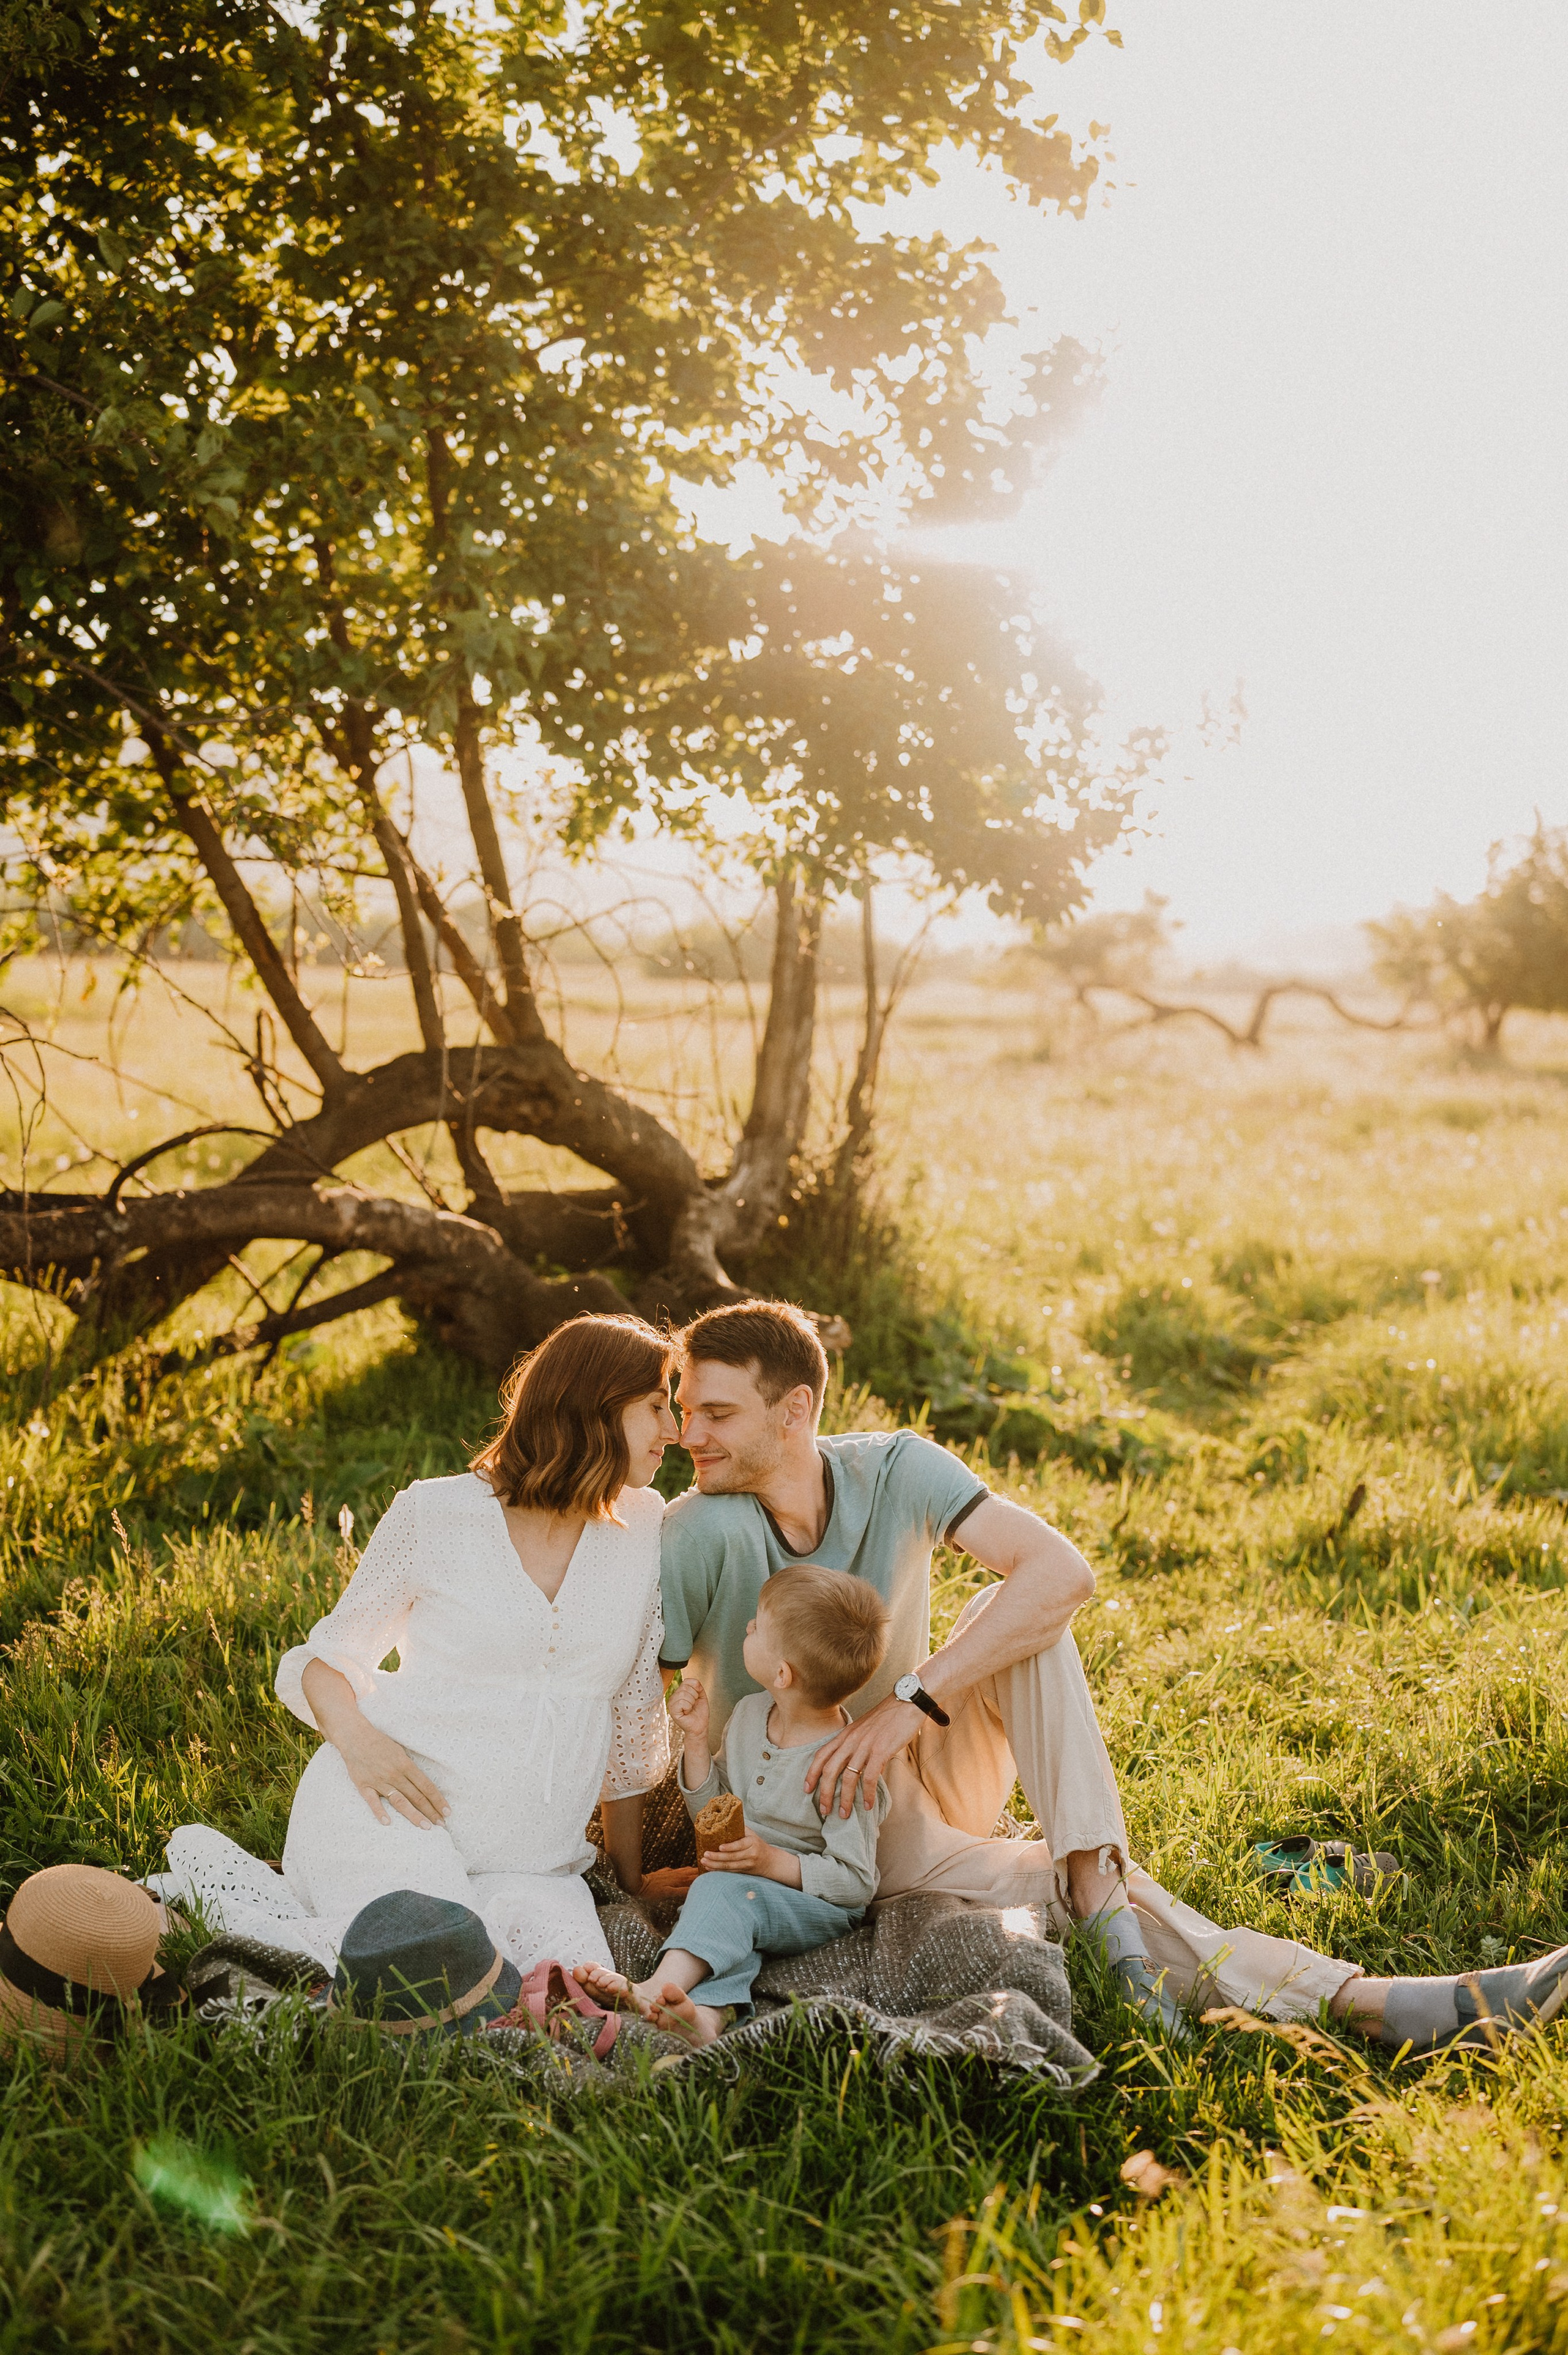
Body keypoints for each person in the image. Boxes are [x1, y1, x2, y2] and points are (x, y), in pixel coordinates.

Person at [657, 1299, 1568, 2054]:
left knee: (1029, 1625)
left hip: (920, 1762)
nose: (686, 1434)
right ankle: (1362, 2000)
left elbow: (1064, 1574)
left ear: (796, 1409)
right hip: (833, 1817)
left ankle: (1095, 1887)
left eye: (716, 1413)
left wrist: (907, 1705)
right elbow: (637, 1699)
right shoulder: (698, 1529)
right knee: (1080, 1865)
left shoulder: (897, 1468)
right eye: (683, 1408)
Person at [161, 1314, 693, 1978]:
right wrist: (362, 1745)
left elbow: (628, 1724)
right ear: (592, 1402)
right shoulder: (436, 1515)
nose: (674, 1429)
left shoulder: (645, 1527)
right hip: (388, 1816)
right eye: (654, 1406)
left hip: (535, 1866)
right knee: (436, 1975)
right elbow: (326, 1663)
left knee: (567, 1991)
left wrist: (631, 1878)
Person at [579, 1563, 891, 2044]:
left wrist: (771, 1862)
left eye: (758, 1627)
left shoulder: (845, 1769)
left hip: (819, 1909)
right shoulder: (749, 1714)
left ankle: (656, 1987)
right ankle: (707, 2018)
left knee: (726, 1894)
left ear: (783, 1673)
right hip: (746, 1892)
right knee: (731, 1907)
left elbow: (856, 1885)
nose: (747, 1627)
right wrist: (699, 1740)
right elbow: (714, 1816)